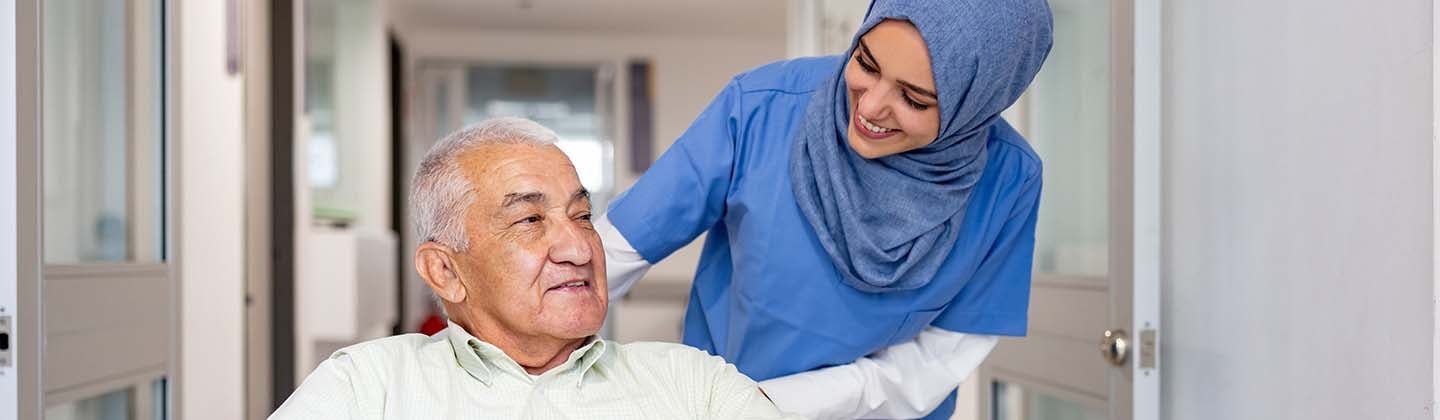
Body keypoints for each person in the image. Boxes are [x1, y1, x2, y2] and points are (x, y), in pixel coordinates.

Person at [596, 1, 1053, 418]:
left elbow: (941, 357)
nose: (870, 106)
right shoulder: (762, 108)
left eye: (913, 98)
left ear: (976, 105)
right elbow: (617, 248)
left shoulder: (1009, 182)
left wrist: (779, 403)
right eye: (865, 63)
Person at [271, 117, 799, 420]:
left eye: (582, 215)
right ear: (444, 271)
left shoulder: (693, 386)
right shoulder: (368, 387)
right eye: (528, 219)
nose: (578, 245)